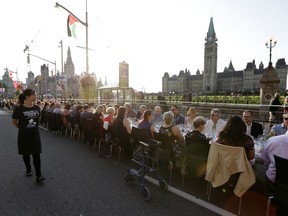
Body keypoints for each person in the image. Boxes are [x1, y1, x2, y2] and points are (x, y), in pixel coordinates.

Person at [11, 89, 45, 182]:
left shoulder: (37, 108)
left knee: (36, 154)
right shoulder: (19, 109)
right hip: (24, 135)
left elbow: (39, 119)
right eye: (33, 95)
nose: (35, 96)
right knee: (25, 153)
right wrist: (21, 128)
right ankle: (28, 169)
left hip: (35, 134)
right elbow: (14, 121)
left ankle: (39, 175)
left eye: (35, 95)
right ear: (27, 96)